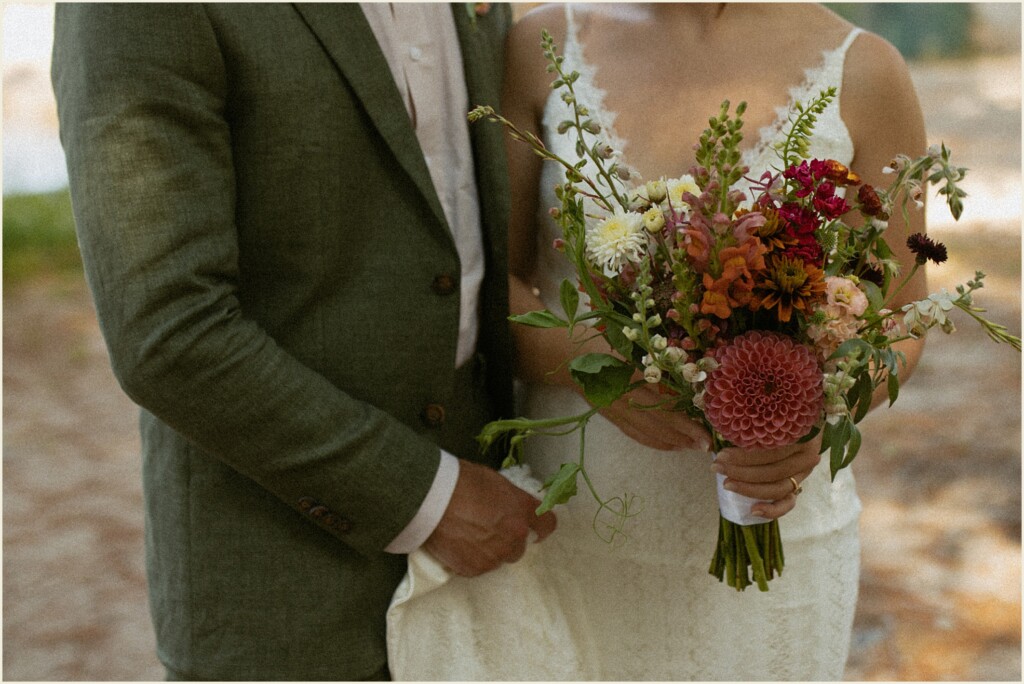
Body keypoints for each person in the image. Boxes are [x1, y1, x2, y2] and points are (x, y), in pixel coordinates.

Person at [386, 2, 929, 680]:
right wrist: (599, 373)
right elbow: (493, 286)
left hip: (781, 532)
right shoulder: (539, 46)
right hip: (577, 527)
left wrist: (809, 418)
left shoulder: (865, 69)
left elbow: (903, 316)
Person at [51, 3, 561, 680]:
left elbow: (474, 254)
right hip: (287, 602)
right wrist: (427, 501)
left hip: (496, 584)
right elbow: (170, 332)